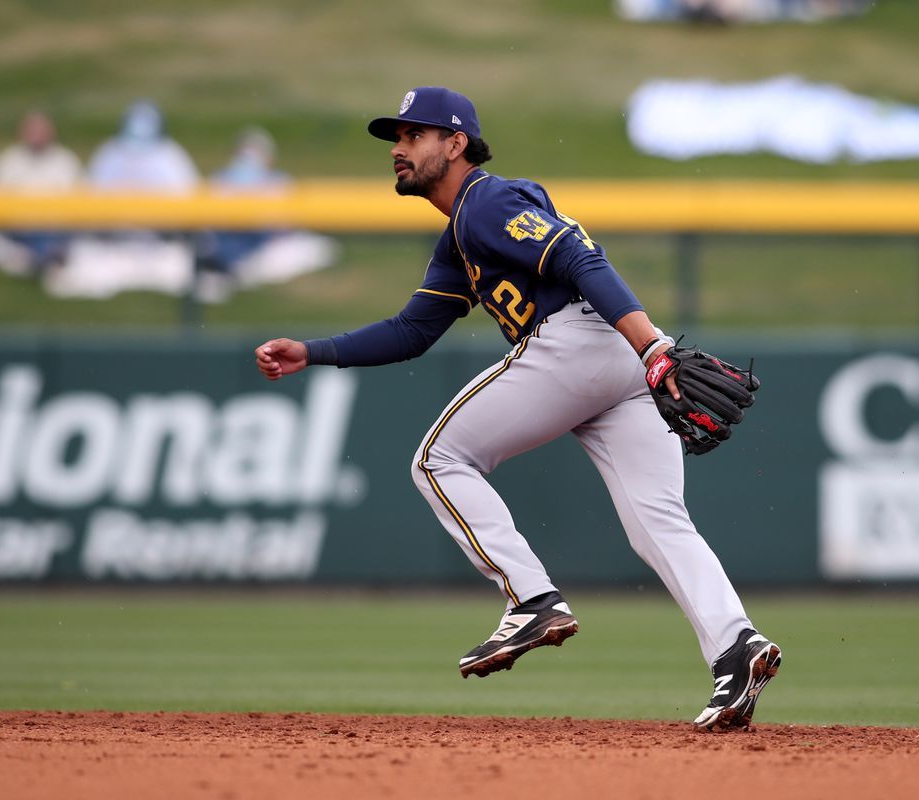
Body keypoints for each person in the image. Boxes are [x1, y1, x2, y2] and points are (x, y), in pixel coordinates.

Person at [254, 87, 781, 730]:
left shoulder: (488, 200)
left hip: (585, 342)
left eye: (413, 135)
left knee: (438, 459)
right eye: (395, 137)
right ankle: (737, 646)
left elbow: (578, 257)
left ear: (455, 144)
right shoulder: (460, 237)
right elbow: (413, 331)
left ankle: (531, 600)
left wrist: (654, 346)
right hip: (615, 358)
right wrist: (314, 351)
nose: (398, 148)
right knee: (659, 519)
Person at [47, 100, 199, 299]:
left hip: (158, 246)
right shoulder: (109, 153)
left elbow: (189, 209)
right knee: (85, 258)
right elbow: (88, 204)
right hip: (114, 243)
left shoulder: (172, 156)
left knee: (179, 264)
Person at [195, 126, 336, 303]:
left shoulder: (279, 183)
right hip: (226, 235)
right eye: (244, 152)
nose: (248, 158)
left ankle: (230, 270)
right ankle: (223, 269)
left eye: (256, 152)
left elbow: (288, 222)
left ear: (269, 158)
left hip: (260, 236)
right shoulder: (221, 180)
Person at [0, 110, 82, 276]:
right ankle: (41, 260)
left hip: (54, 229)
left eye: (41, 130)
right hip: (17, 229)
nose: (37, 136)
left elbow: (78, 202)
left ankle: (45, 260)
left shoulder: (66, 161)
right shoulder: (8, 160)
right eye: (32, 130)